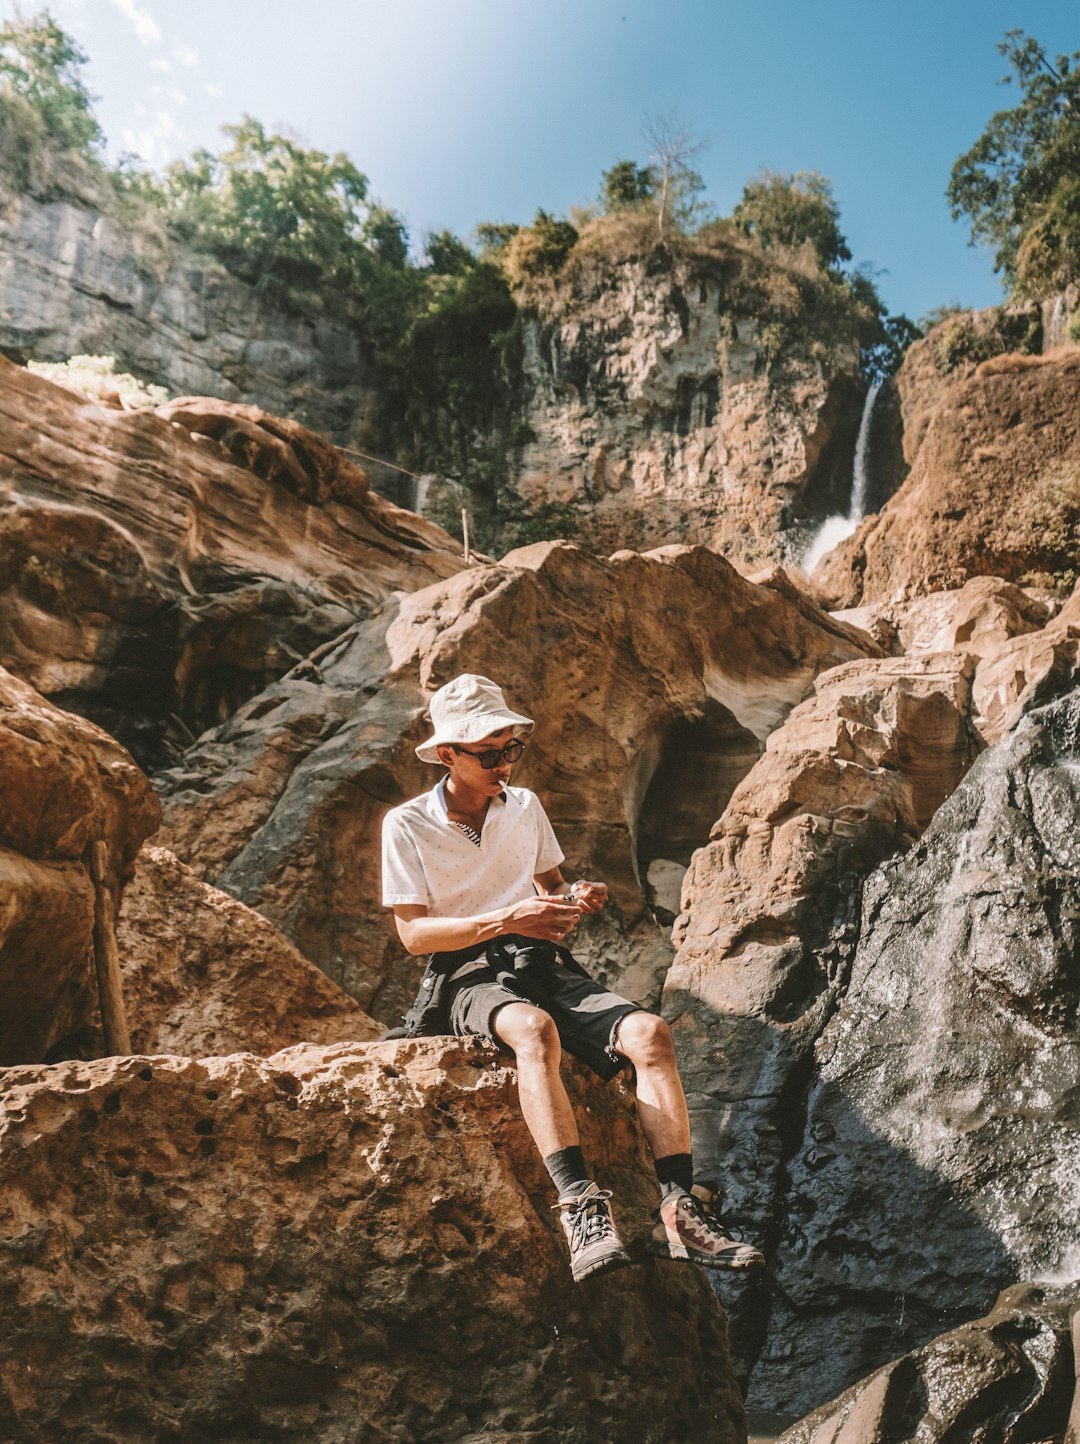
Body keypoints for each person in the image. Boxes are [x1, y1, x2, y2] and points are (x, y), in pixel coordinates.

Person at [380, 673, 764, 1283]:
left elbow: (552, 888)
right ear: (448, 754)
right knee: (534, 1033)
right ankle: (580, 1208)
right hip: (465, 972)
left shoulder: (525, 806)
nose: (504, 763)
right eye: (489, 753)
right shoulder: (407, 824)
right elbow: (414, 936)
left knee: (651, 1034)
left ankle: (678, 1209)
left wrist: (576, 898)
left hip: (538, 960)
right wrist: (508, 916)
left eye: (512, 748)